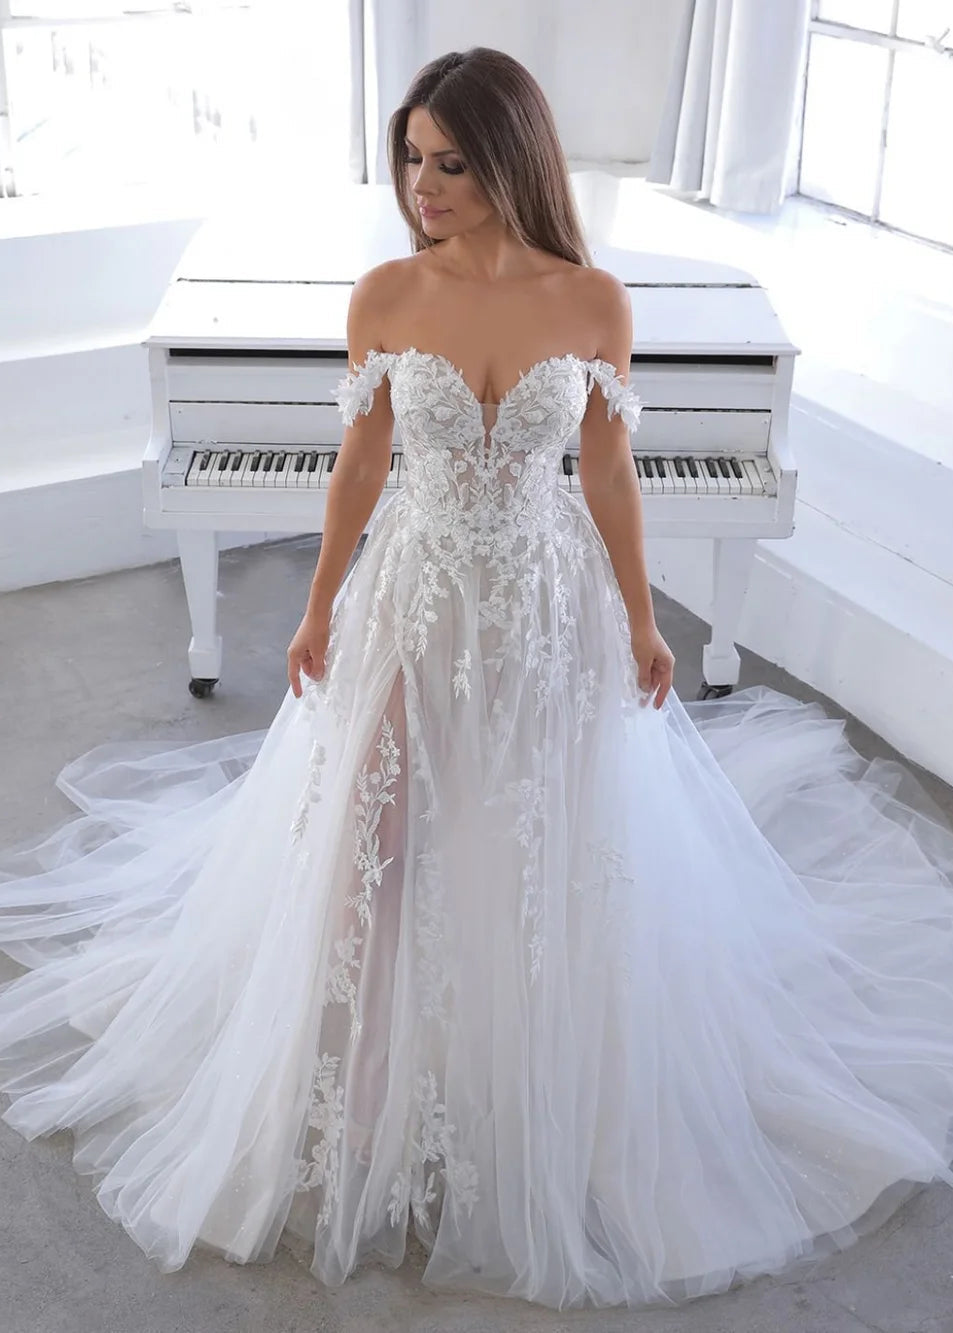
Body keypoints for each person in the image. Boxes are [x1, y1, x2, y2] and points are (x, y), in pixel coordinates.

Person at [2, 46, 953, 1315]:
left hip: (548, 608)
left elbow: (607, 474)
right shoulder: (389, 292)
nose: (423, 184)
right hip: (413, 590)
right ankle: (357, 1095)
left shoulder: (594, 301)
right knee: (374, 832)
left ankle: (526, 1078)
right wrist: (315, 600)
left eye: (449, 161)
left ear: (509, 156)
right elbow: (358, 462)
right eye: (410, 158)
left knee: (534, 829)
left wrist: (640, 618)